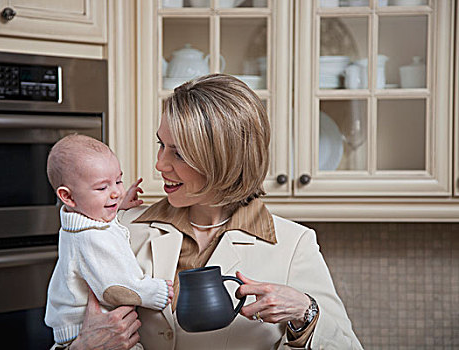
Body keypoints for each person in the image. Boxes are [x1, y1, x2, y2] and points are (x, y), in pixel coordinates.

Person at [58, 74, 363, 349]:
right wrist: (83, 347)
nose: (160, 164)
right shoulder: (114, 228)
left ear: (223, 159)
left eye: (178, 152)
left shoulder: (293, 245)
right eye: (161, 145)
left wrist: (305, 315)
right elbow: (66, 319)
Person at [44, 134, 173, 347]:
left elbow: (101, 222)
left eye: (118, 181)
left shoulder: (84, 218)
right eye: (103, 188)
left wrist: (118, 205)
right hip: (87, 329)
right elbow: (115, 286)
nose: (115, 192)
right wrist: (157, 291)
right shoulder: (90, 237)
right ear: (68, 197)